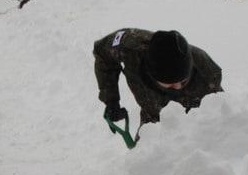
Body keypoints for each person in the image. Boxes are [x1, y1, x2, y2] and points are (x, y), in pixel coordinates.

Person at [94, 28, 223, 127]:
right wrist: (111, 101)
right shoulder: (130, 47)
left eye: (183, 81)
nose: (177, 87)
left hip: (191, 128)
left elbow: (221, 121)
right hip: (151, 123)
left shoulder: (207, 74)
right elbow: (102, 54)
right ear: (152, 74)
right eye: (170, 83)